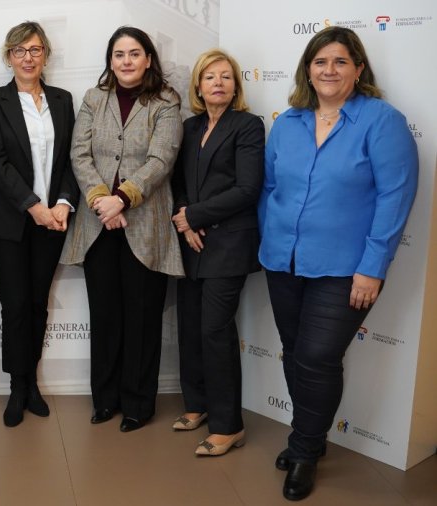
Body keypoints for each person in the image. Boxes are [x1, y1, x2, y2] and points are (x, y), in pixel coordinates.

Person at [259, 26, 417, 501]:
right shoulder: (288, 121)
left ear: (358, 69)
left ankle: (305, 450)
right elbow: (270, 189)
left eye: (340, 62)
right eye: (320, 62)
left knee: (317, 358)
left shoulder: (381, 121)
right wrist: (271, 237)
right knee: (294, 350)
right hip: (282, 261)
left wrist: (373, 266)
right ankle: (308, 435)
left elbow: (395, 196)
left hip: (346, 268)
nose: (329, 70)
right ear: (308, 69)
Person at [60, 26, 183, 432]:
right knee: (106, 317)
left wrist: (123, 198)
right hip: (99, 226)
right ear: (110, 61)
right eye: (118, 54)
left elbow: (161, 160)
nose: (126, 61)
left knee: (142, 319)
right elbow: (79, 153)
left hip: (143, 225)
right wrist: (101, 201)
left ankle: (138, 404)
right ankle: (105, 399)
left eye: (134, 53)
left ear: (148, 58)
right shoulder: (95, 99)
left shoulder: (166, 101)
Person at [0, 21, 78, 427]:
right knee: (15, 305)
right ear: (8, 57)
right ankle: (16, 387)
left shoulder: (62, 99)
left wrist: (65, 203)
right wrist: (33, 205)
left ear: (46, 55)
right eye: (19, 51)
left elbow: (74, 157)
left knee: (37, 304)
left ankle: (32, 381)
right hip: (10, 223)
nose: (28, 57)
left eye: (35, 49)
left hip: (54, 221)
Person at [170, 49, 264, 456]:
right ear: (198, 85)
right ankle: (198, 405)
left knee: (215, 330)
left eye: (226, 77)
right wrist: (183, 218)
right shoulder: (189, 128)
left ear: (236, 86)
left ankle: (229, 425)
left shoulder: (248, 125)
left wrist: (193, 216)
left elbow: (247, 188)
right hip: (190, 243)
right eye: (210, 77)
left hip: (229, 244)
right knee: (189, 327)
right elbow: (175, 183)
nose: (219, 83)